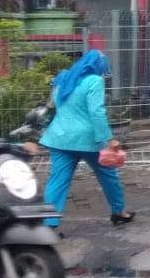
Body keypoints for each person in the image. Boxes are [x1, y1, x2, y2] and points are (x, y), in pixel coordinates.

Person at [41, 49, 132, 230]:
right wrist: (109, 138)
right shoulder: (94, 81)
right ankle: (118, 211)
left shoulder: (64, 78)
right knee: (108, 176)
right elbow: (96, 112)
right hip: (87, 140)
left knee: (57, 181)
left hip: (59, 137)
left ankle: (48, 224)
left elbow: (52, 104)